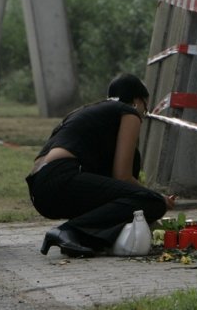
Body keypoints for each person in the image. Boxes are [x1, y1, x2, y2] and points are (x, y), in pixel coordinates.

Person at [27, 73, 175, 257]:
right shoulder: (129, 113)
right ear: (137, 101)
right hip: (62, 178)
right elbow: (122, 176)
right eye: (145, 106)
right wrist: (156, 196)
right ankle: (68, 231)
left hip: (40, 191)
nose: (144, 114)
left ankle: (81, 237)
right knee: (151, 202)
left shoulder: (89, 112)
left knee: (129, 194)